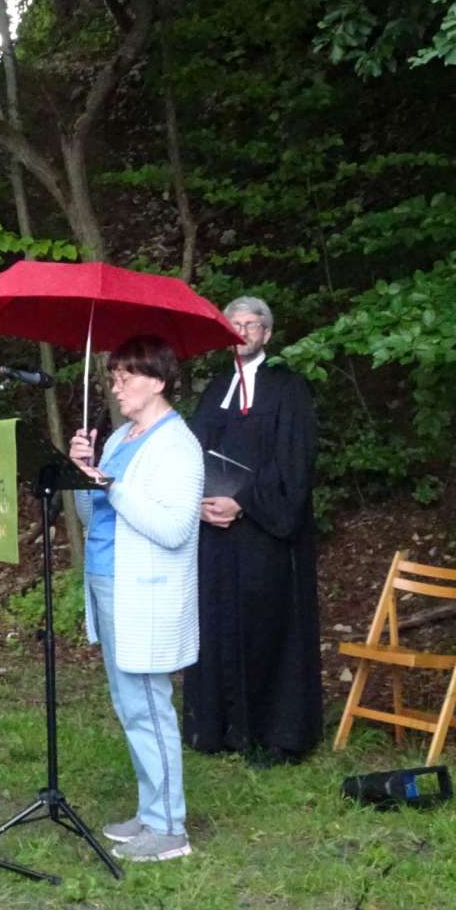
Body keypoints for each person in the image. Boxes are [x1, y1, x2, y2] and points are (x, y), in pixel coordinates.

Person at [69, 335, 203, 863]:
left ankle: (170, 829)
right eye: (113, 374)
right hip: (108, 583)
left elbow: (173, 528)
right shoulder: (122, 435)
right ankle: (151, 812)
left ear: (159, 381)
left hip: (144, 593)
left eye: (127, 375)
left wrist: (111, 486)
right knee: (130, 706)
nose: (116, 384)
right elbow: (92, 516)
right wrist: (85, 475)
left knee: (149, 706)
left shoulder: (178, 445)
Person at [183, 296, 321, 765]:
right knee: (218, 623)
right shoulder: (214, 389)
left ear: (266, 333)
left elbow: (294, 464)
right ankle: (219, 728)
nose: (242, 331)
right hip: (215, 536)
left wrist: (242, 502)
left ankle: (274, 734)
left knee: (268, 628)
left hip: (264, 534)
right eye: (234, 324)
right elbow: (190, 454)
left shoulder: (288, 390)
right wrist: (199, 504)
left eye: (252, 324)